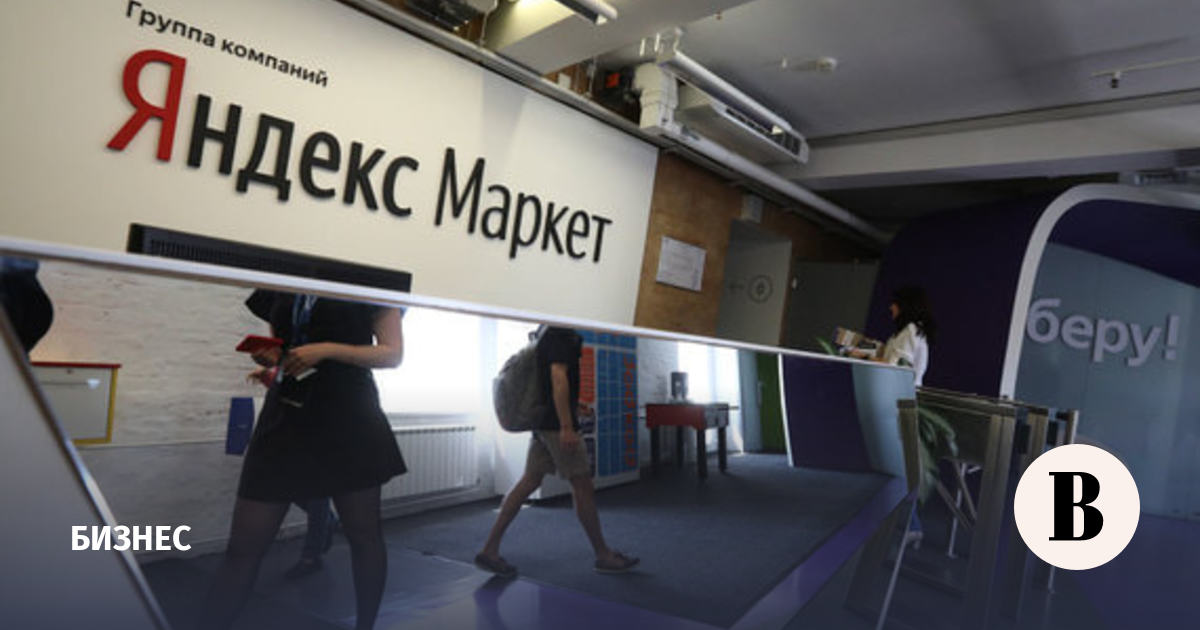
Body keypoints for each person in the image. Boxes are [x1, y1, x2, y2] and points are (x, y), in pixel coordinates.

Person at [198, 291, 406, 630]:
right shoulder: (282, 284)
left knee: (364, 536)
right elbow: (284, 347)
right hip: (286, 415)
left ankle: (366, 626)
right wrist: (273, 356)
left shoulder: (372, 281)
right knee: (242, 547)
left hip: (349, 417)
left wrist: (326, 350)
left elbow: (392, 354)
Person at [475, 325, 638, 577]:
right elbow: (558, 377)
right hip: (554, 426)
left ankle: (489, 550)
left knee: (529, 481)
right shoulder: (562, 332)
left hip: (543, 422)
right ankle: (603, 555)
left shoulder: (546, 331)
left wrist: (573, 404)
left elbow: (551, 380)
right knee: (582, 485)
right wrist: (566, 426)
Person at [854, 286, 935, 386]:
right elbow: (890, 358)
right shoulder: (903, 332)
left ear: (904, 305)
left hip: (901, 391)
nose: (891, 307)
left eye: (894, 303)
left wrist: (864, 357)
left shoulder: (911, 330)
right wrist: (863, 349)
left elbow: (895, 367)